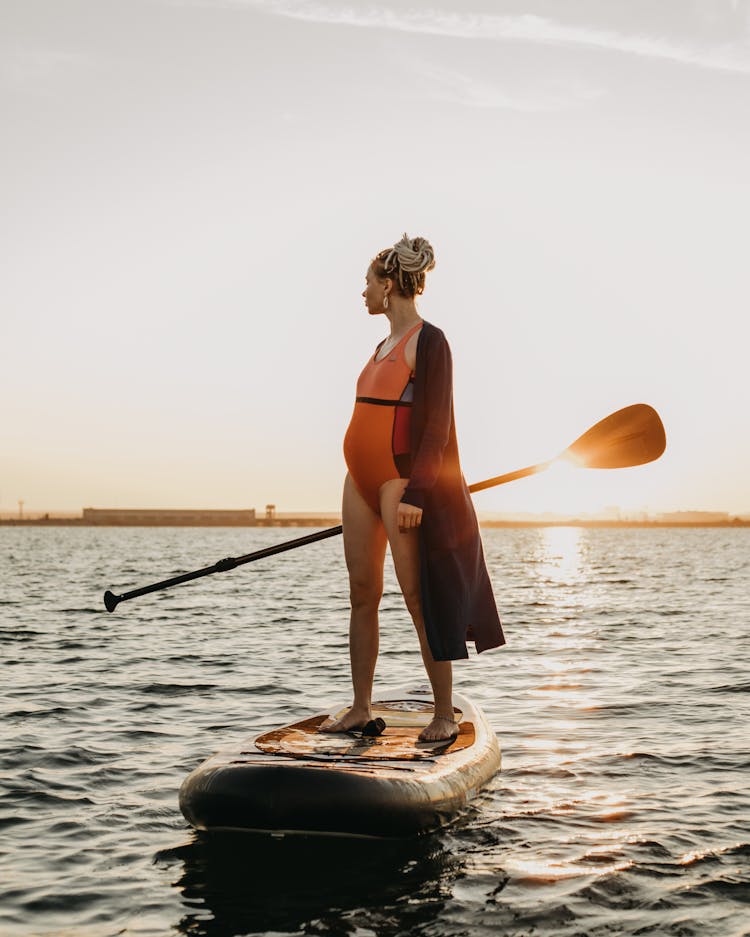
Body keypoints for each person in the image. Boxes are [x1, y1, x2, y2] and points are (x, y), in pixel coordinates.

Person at [321, 234, 505, 742]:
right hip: (358, 481)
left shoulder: (430, 340)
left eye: (367, 283)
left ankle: (444, 714)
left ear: (389, 284)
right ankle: (360, 707)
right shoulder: (379, 345)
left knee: (417, 597)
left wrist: (419, 495)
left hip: (399, 481)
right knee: (363, 594)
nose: (362, 292)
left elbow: (437, 425)